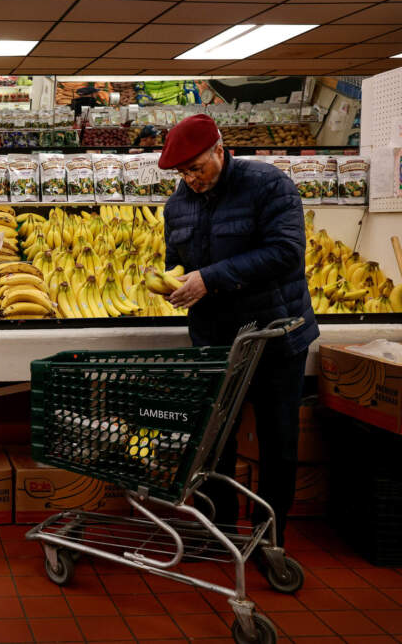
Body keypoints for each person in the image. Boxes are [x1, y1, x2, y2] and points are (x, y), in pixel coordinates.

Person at [157, 113, 319, 548]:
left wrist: (210, 277)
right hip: (217, 340)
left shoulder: (268, 185)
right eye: (182, 172)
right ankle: (220, 534)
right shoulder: (178, 205)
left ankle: (271, 538)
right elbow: (179, 261)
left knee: (277, 440)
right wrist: (171, 283)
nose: (191, 178)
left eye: (197, 167)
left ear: (220, 150)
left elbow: (286, 252)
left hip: (275, 335)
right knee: (215, 444)